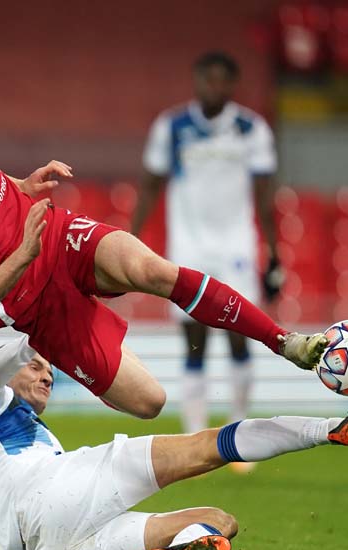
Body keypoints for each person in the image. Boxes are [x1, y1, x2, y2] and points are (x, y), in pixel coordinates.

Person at [0, 80, 328, 420]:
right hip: (29, 298)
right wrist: (23, 254)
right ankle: (43, 354)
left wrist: (22, 184)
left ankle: (285, 342)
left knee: (151, 269)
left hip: (58, 235)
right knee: (150, 403)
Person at [0, 335, 348, 550]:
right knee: (208, 446)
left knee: (220, 522)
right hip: (51, 493)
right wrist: (33, 341)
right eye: (35, 367)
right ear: (10, 370)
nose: (47, 375)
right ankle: (331, 428)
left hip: (52, 546)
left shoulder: (26, 437)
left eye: (50, 368)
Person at [133, 51, 284, 439]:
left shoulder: (252, 129)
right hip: (188, 246)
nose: (213, 86)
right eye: (207, 79)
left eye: (222, 80)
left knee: (240, 337)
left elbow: (266, 196)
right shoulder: (171, 127)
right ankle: (195, 436)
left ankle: (238, 430)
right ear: (196, 81)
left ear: (232, 85)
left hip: (236, 247)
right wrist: (131, 239)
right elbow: (150, 185)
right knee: (194, 342)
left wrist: (273, 252)